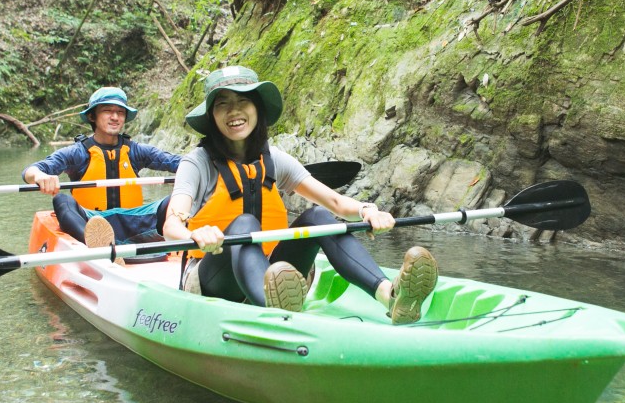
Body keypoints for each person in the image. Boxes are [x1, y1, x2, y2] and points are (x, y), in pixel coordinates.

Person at [160, 65, 438, 324]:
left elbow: (335, 202)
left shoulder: (275, 160)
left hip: (278, 278)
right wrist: (194, 235)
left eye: (243, 101)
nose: (234, 111)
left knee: (318, 216)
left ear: (257, 109)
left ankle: (390, 296)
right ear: (212, 116)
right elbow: (172, 225)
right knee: (244, 224)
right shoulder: (196, 163)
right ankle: (273, 308)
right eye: (223, 104)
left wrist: (368, 211)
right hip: (215, 278)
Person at [23, 87, 181, 249]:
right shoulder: (78, 153)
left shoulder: (136, 151)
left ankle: (177, 237)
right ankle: (96, 244)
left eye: (120, 112)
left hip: (136, 220)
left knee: (178, 199)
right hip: (91, 221)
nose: (115, 117)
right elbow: (31, 171)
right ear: (92, 116)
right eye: (107, 111)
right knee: (61, 200)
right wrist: (40, 176)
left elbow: (179, 163)